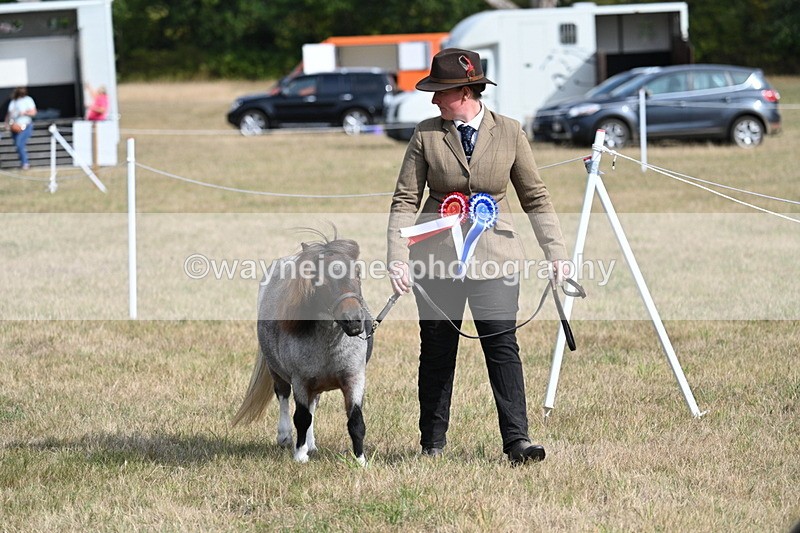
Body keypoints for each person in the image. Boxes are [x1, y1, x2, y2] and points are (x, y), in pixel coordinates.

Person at [386, 48, 570, 465]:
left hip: (496, 256)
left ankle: (517, 441)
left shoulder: (509, 132)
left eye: (440, 92)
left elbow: (535, 196)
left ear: (466, 91)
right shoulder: (426, 135)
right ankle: (431, 443)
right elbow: (404, 199)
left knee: (502, 346)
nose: (433, 100)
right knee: (436, 348)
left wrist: (556, 254)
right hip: (436, 259)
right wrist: (398, 257)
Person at [4, 87, 37, 170]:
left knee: (20, 144)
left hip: (25, 125)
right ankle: (23, 162)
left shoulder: (28, 100)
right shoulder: (13, 102)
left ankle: (25, 163)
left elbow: (34, 112)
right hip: (15, 126)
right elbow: (9, 114)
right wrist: (7, 123)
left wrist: (24, 113)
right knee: (18, 146)